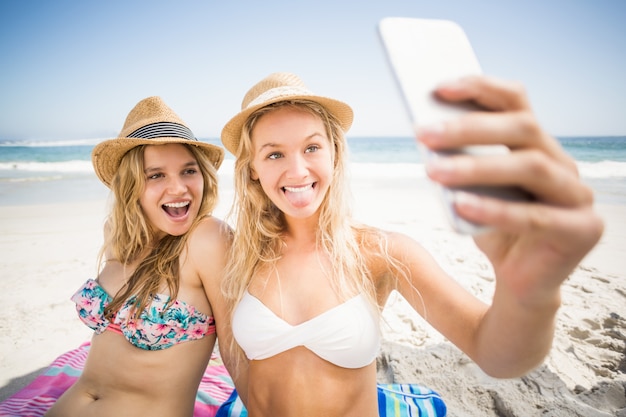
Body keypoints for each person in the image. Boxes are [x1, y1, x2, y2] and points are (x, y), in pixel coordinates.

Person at [217, 72, 604, 416]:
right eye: (274, 153)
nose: (297, 169)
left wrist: (531, 292)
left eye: (312, 147)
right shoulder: (239, 257)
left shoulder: (382, 253)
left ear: (335, 153)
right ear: (253, 168)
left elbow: (497, 355)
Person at [44, 96, 232, 417]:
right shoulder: (116, 235)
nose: (178, 188)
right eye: (156, 175)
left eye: (189, 170)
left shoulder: (208, 238)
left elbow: (238, 347)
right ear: (131, 185)